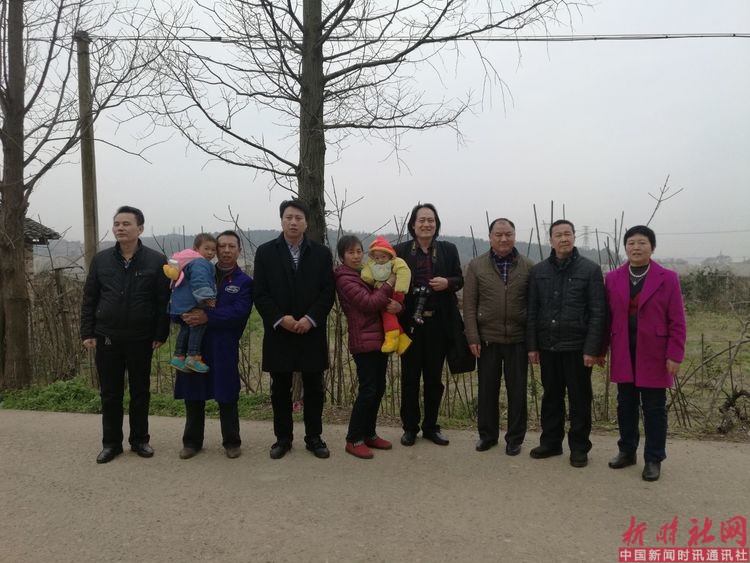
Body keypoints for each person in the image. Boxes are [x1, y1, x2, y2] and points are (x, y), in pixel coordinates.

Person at [81, 205, 170, 464]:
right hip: (107, 336)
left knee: (140, 391)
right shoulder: (101, 260)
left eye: (126, 224)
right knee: (110, 393)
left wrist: (160, 333)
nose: (120, 228)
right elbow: (90, 298)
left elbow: (163, 301)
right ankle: (111, 444)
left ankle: (140, 440)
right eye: (117, 224)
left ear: (139, 228)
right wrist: (87, 331)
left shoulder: (156, 260)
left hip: (141, 337)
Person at [602, 225, 686, 482]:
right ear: (625, 248)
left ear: (652, 247)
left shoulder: (667, 278)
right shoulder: (612, 278)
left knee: (654, 408)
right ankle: (627, 451)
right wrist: (600, 350)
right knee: (625, 405)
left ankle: (653, 458)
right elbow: (606, 318)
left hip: (655, 354)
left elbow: (677, 320)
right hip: (623, 351)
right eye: (631, 243)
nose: (636, 247)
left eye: (642, 242)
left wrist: (675, 354)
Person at [253, 199, 335, 460]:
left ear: (306, 222)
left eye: (299, 218)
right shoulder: (265, 252)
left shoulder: (321, 253)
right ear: (281, 220)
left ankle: (314, 437)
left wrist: (310, 319)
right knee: (280, 389)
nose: (293, 222)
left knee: (314, 388)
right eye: (288, 217)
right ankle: (283, 439)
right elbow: (260, 293)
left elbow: (328, 292)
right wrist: (280, 318)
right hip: (280, 331)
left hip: (311, 330)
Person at [526, 219, 606, 468]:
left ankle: (579, 447)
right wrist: (532, 345)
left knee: (580, 398)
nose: (564, 239)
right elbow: (532, 311)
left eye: (568, 234)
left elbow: (598, 312)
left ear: (573, 237)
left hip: (577, 347)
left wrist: (592, 349)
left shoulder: (590, 270)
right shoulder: (538, 271)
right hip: (548, 345)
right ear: (550, 240)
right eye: (558, 235)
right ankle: (551, 442)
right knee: (551, 396)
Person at [174, 230, 253, 459]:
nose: (226, 250)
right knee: (193, 393)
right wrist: (182, 316)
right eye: (222, 246)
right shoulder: (197, 270)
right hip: (194, 346)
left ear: (239, 251)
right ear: (215, 250)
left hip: (223, 345)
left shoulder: (244, 282)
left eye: (232, 246)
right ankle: (191, 442)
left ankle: (232, 441)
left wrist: (208, 316)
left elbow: (239, 312)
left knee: (227, 393)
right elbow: (178, 296)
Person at [394, 203, 463, 447]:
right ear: (413, 225)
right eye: (421, 220)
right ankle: (410, 428)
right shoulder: (400, 251)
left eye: (431, 220)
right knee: (410, 378)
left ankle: (431, 426)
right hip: (409, 324)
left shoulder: (448, 250)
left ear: (436, 224)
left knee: (434, 379)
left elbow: (460, 278)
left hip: (438, 324)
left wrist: (448, 283)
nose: (426, 224)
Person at [463, 218, 534, 455]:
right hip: (487, 339)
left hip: (518, 339)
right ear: (490, 237)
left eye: (508, 234)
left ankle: (515, 438)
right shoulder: (476, 266)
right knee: (487, 390)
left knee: (517, 392)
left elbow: (534, 306)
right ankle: (487, 435)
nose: (504, 239)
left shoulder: (528, 266)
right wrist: (473, 337)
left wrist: (532, 341)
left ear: (514, 236)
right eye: (498, 234)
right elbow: (469, 305)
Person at [335, 235, 402, 459]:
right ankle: (353, 439)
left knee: (379, 387)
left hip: (379, 339)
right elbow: (369, 303)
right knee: (368, 390)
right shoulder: (345, 279)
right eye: (350, 252)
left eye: (359, 251)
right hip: (363, 341)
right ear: (342, 256)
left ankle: (369, 433)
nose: (356, 256)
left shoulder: (364, 274)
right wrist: (390, 282)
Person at [164, 233, 217, 373]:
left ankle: (178, 356)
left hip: (178, 305)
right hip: (191, 303)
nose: (210, 253)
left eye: (213, 250)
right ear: (196, 249)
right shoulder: (200, 263)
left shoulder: (186, 263)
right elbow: (200, 281)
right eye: (207, 248)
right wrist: (207, 298)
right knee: (197, 324)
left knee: (185, 328)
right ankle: (193, 357)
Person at [360, 235, 412, 355]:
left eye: (384, 256)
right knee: (388, 313)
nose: (381, 260)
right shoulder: (372, 265)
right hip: (382, 292)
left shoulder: (396, 262)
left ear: (390, 255)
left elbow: (404, 271)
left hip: (395, 292)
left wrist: (401, 288)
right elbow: (366, 274)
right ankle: (403, 340)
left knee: (387, 313)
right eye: (377, 257)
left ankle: (391, 338)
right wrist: (368, 278)